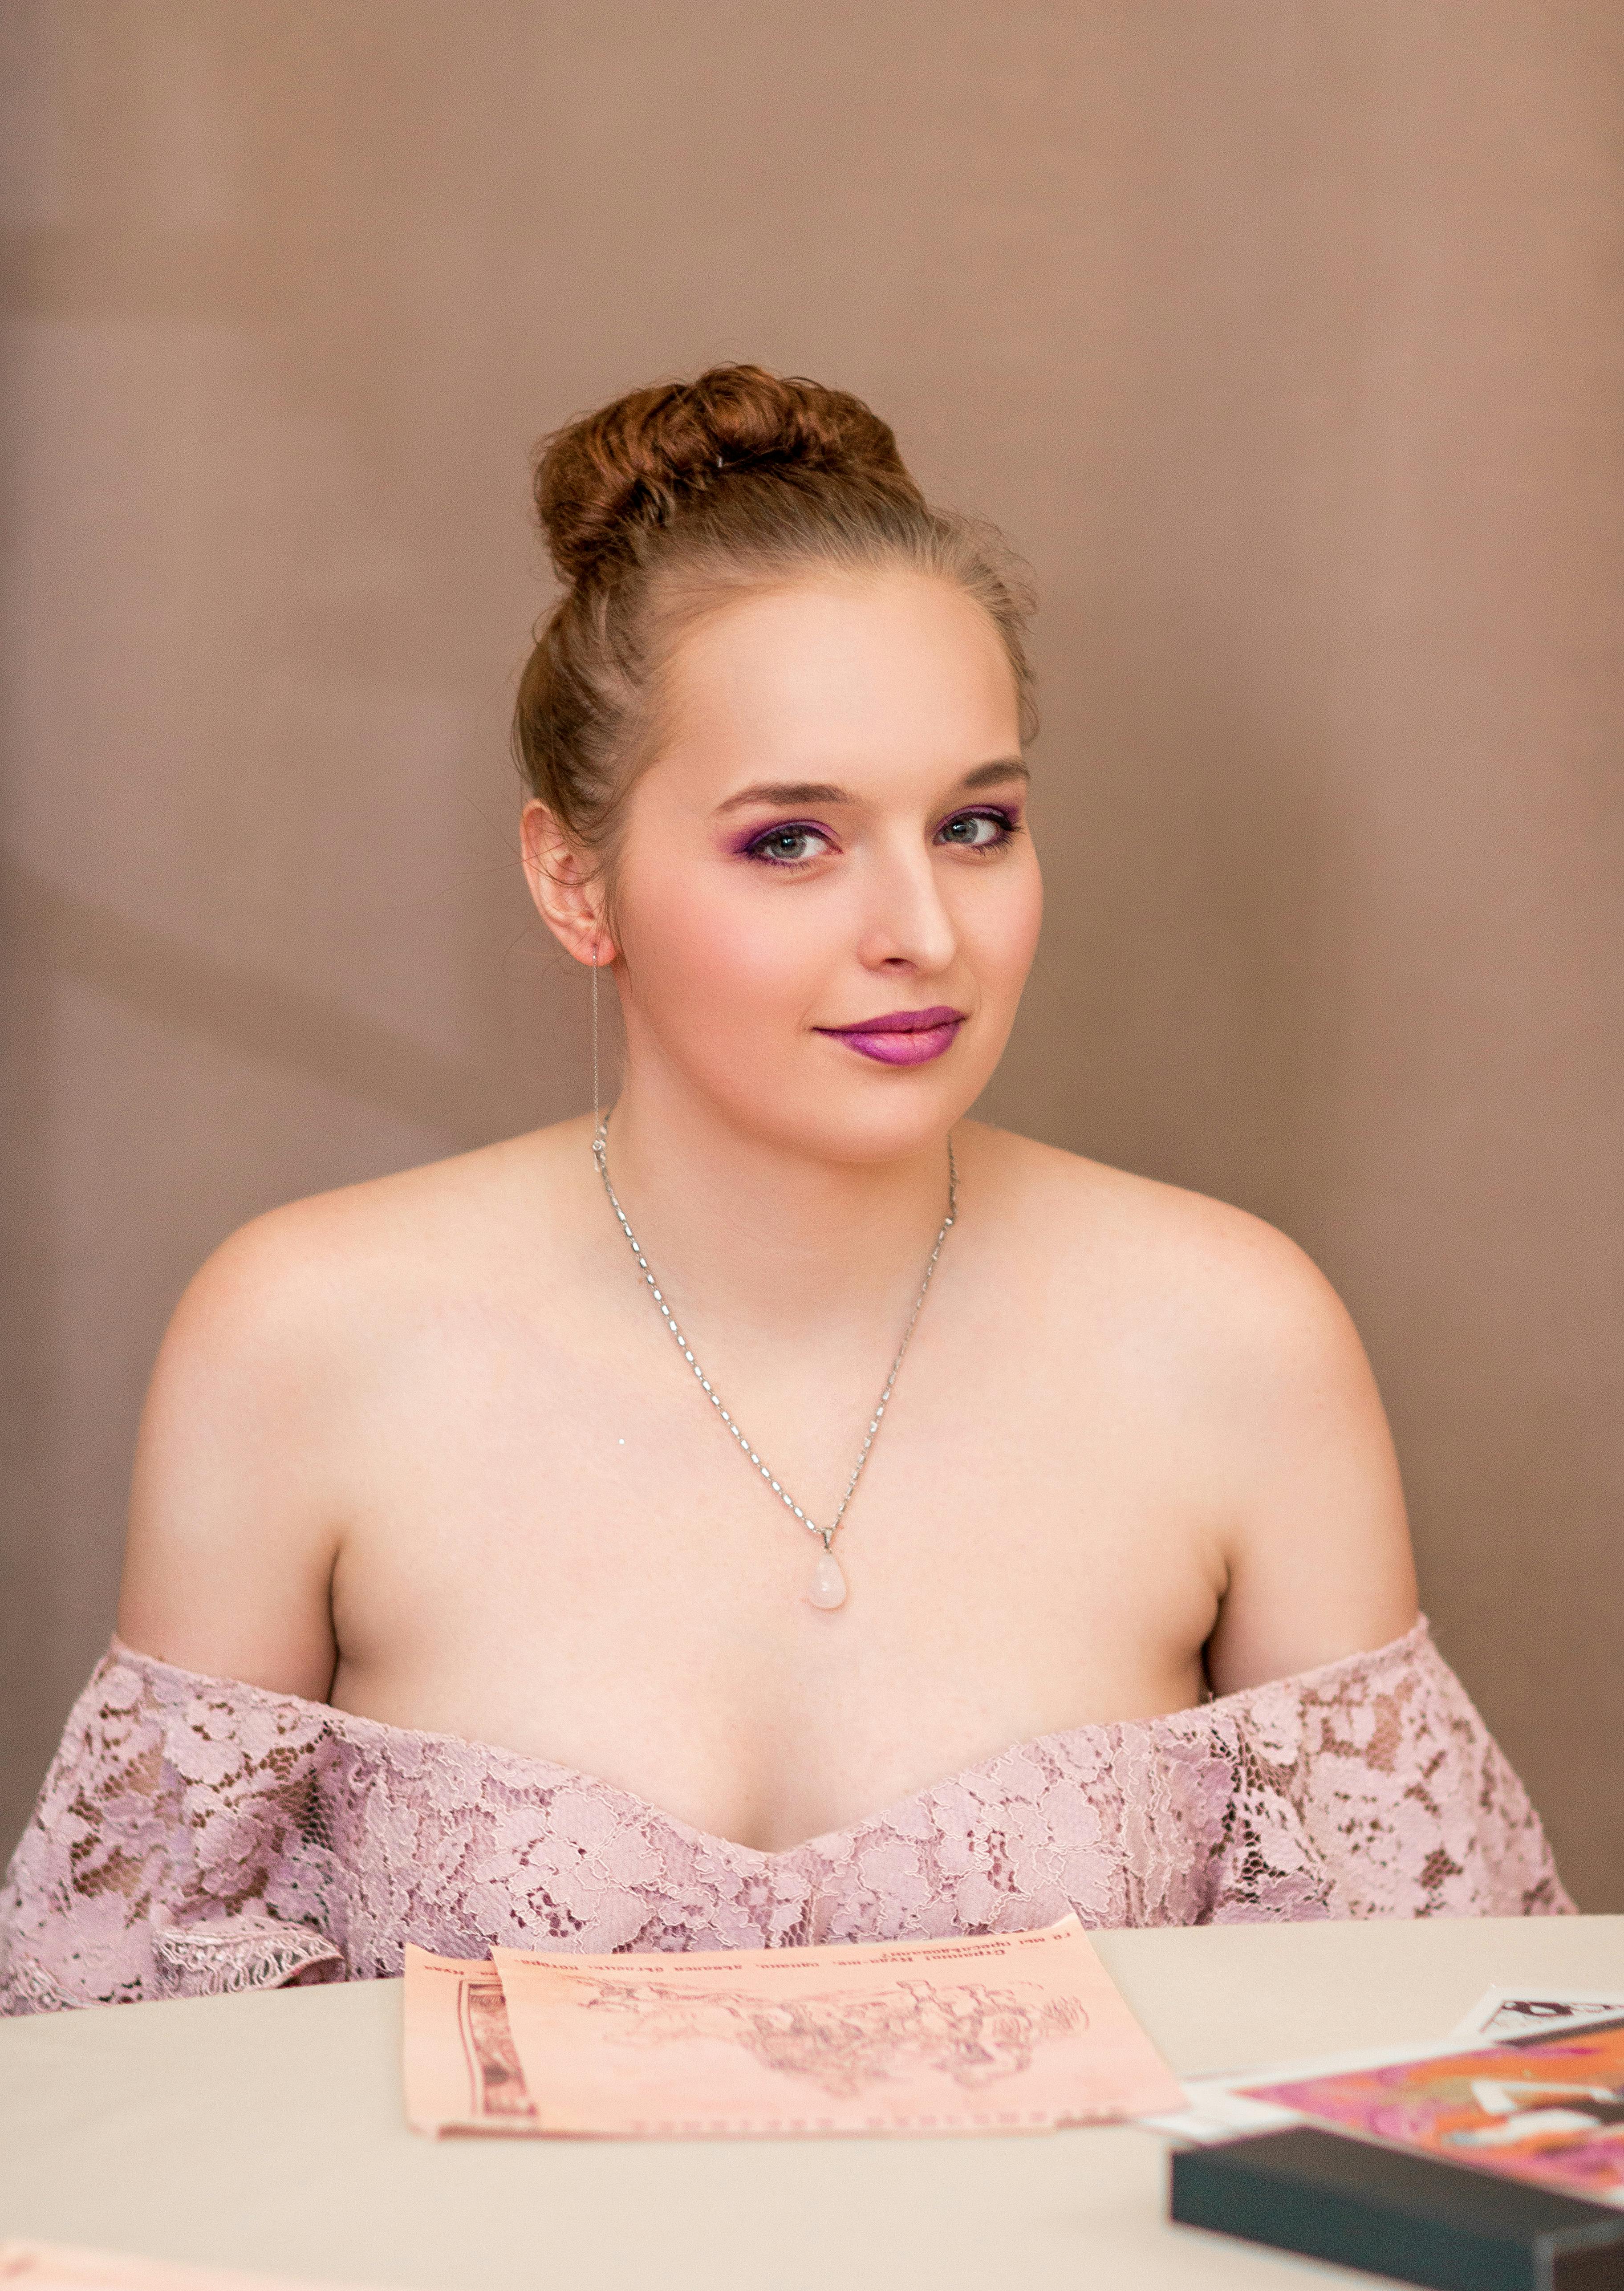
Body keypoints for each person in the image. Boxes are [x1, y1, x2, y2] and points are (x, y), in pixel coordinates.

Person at [0, 365, 1567, 2011]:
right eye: (791, 844)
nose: (924, 932)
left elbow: (1422, 2059)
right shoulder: (304, 1339)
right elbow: (126, 2078)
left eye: (975, 826)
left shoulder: (1234, 1334)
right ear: (571, 876)